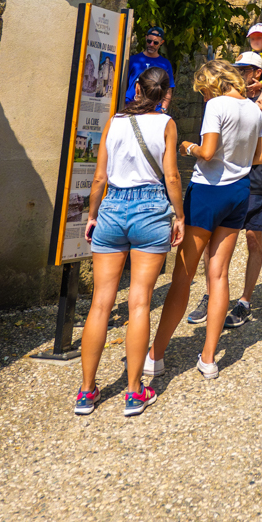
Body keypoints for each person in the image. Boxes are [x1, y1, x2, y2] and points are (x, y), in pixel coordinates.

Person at [149, 60, 262, 383]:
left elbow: (207, 152)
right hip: (239, 191)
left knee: (183, 276)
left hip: (207, 191)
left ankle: (156, 355)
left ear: (213, 83)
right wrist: (236, 160)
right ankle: (208, 358)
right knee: (219, 275)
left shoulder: (217, 105)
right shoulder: (253, 109)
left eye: (203, 90)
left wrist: (187, 146)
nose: (203, 96)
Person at [76, 66, 184, 418]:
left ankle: (87, 392)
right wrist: (179, 216)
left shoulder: (115, 122)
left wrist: (93, 214)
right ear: (164, 94)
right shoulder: (167, 124)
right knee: (139, 303)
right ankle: (134, 393)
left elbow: (99, 178)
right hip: (151, 210)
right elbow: (171, 176)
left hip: (113, 206)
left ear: (137, 88)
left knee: (100, 304)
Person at [186, 52, 262, 330]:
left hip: (257, 181)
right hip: (230, 181)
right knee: (213, 244)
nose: (239, 73)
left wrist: (260, 117)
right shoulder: (224, 101)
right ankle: (210, 295)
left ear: (257, 73)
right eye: (237, 69)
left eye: (245, 69)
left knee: (253, 240)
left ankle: (244, 301)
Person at [123, 26, 174, 106]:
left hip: (154, 109)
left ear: (161, 42)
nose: (151, 44)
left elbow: (168, 89)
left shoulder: (165, 64)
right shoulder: (133, 60)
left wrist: (163, 109)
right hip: (132, 105)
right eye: (149, 41)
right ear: (146, 38)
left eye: (155, 42)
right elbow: (123, 84)